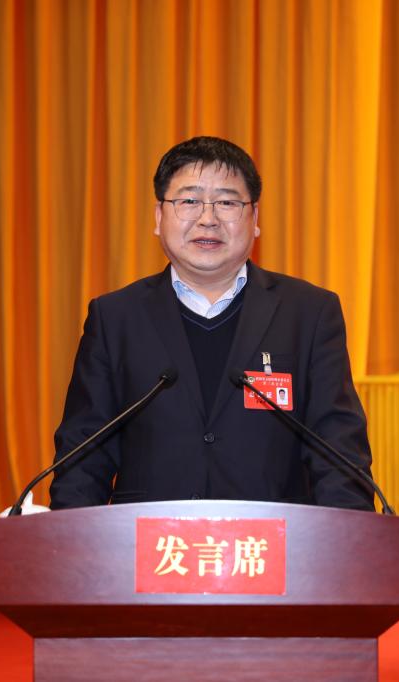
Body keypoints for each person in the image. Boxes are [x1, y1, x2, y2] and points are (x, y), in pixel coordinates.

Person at [48, 136, 374, 510]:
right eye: (189, 201)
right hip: (149, 540)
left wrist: (348, 539)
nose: (208, 219)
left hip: (274, 540)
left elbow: (339, 454)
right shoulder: (115, 318)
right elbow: (83, 459)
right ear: (159, 217)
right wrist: (69, 541)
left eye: (227, 202)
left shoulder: (309, 313)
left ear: (255, 219)